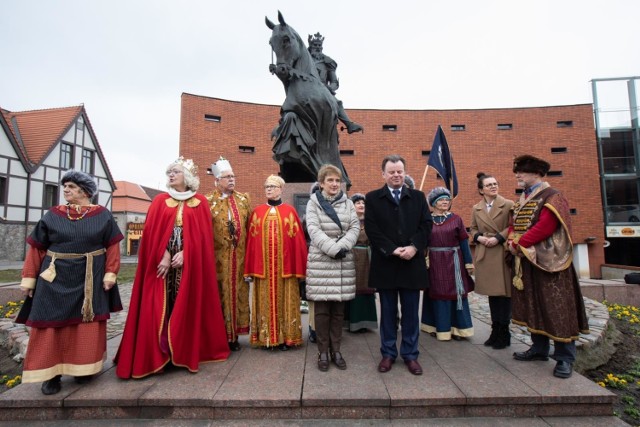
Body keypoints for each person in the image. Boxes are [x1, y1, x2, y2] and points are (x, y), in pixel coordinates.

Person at [115, 157, 230, 378]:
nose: (171, 175)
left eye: (176, 172)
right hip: (162, 266)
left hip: (189, 266)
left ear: (187, 177)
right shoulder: (159, 201)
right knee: (158, 307)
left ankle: (182, 350)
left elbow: (205, 238)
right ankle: (159, 352)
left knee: (185, 305)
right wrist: (164, 254)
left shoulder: (200, 203)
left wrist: (187, 253)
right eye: (169, 172)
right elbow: (151, 235)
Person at [16, 170, 123, 395]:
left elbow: (113, 247)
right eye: (65, 186)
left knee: (86, 323)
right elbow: (37, 248)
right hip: (54, 277)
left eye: (72, 187)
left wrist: (110, 275)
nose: (66, 190)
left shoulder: (102, 215)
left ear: (84, 192)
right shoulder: (53, 215)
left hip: (89, 276)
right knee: (51, 323)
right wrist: (29, 279)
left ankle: (83, 368)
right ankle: (51, 374)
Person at [509, 154, 589, 379]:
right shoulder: (524, 197)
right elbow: (514, 223)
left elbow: (546, 226)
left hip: (551, 262)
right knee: (534, 304)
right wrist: (511, 238)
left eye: (521, 172)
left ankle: (565, 357)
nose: (517, 176)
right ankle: (539, 348)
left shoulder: (553, 196)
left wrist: (519, 242)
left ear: (536, 173)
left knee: (557, 308)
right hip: (529, 260)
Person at [365, 155, 432, 375]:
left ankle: (411, 355)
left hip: (412, 264)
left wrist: (414, 247)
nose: (396, 175)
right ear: (383, 174)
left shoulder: (418, 197)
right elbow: (372, 229)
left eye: (400, 171)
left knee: (411, 313)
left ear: (405, 172)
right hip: (387, 264)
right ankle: (388, 354)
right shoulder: (373, 198)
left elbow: (426, 225)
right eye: (392, 172)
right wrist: (392, 249)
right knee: (388, 313)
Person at [244, 175, 308, 350]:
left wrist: (298, 266)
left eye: (272, 186)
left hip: (284, 268)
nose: (269, 189)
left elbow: (298, 241)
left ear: (281, 189)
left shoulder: (290, 211)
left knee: (286, 301)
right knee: (265, 301)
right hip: (263, 268)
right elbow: (252, 241)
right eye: (266, 187)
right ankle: (266, 338)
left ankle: (287, 337)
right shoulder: (257, 212)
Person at [305, 164, 359, 371]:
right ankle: (323, 351)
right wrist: (333, 248)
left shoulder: (348, 203)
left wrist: (342, 246)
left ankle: (336, 350)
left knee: (338, 311)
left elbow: (355, 226)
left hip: (342, 261)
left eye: (337, 180)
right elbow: (313, 229)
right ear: (321, 184)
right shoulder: (313, 204)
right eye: (330, 180)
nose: (335, 184)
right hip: (322, 261)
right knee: (322, 312)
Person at [206, 157, 251, 352]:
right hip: (217, 260)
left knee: (238, 294)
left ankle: (235, 336)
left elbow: (250, 228)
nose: (231, 180)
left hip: (239, 258)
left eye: (233, 176)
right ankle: (220, 334)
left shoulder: (243, 200)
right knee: (219, 295)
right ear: (217, 180)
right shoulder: (208, 202)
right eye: (227, 177)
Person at [421, 187, 475, 341]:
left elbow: (464, 242)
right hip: (435, 262)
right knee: (436, 293)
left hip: (454, 261)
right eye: (441, 200)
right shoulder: (426, 220)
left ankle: (459, 329)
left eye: (447, 199)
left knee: (456, 293)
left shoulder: (456, 219)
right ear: (433, 203)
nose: (445, 202)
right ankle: (436, 326)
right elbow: (423, 243)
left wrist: (468, 263)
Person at [470, 172, 515, 349]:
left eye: (495, 183)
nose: (493, 187)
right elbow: (472, 229)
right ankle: (495, 330)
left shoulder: (509, 204)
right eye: (489, 185)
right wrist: (479, 238)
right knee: (492, 295)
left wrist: (499, 238)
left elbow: (513, 226)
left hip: (501, 252)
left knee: (504, 294)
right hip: (485, 253)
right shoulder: (476, 208)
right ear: (481, 190)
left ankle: (504, 332)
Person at [308, 32, 363, 134]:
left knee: (337, 103)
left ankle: (349, 124)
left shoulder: (327, 62)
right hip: (305, 88)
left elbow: (334, 82)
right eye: (315, 45)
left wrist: (330, 88)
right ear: (310, 46)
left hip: (322, 90)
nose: (317, 47)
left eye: (319, 45)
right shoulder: (303, 61)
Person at [344, 193, 378, 333]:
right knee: (353, 288)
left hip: (368, 258)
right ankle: (352, 322)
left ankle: (367, 322)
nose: (361, 205)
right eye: (358, 202)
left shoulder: (372, 222)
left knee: (367, 287)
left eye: (363, 203)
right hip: (352, 258)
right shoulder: (348, 222)